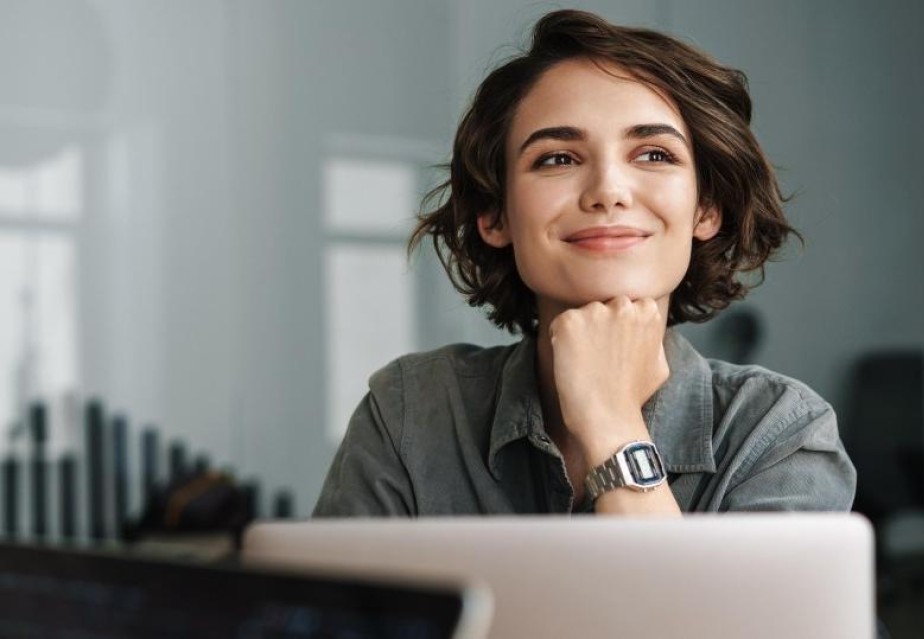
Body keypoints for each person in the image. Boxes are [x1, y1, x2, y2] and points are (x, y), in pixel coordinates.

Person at [314, 9, 855, 517]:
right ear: (494, 215)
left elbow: (702, 623)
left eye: (654, 155)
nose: (608, 191)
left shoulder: (779, 433)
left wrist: (610, 423)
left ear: (706, 209)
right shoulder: (409, 413)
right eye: (557, 158)